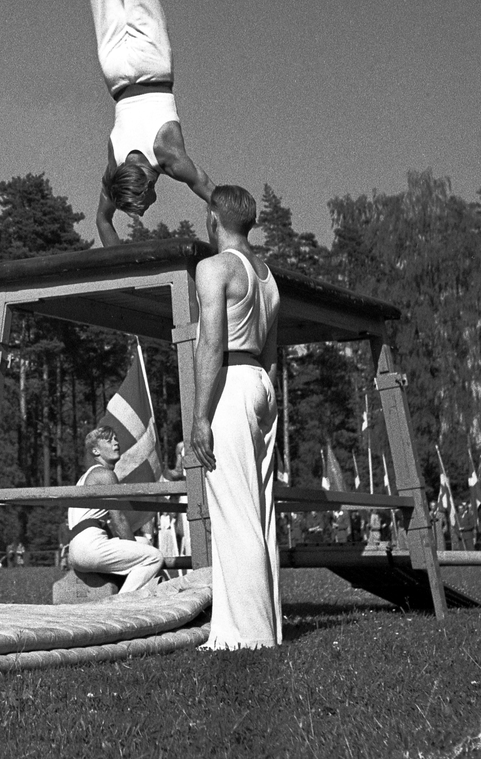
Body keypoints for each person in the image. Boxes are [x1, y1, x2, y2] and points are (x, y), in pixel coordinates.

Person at [67, 0, 214, 246]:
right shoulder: (113, 168)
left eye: (141, 206)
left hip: (152, 64)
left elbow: (215, 197)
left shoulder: (169, 157)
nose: (144, 211)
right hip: (116, 73)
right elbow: (103, 222)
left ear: (147, 184)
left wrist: (226, 250)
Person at [188, 185, 282, 650]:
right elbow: (272, 352)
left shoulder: (214, 267)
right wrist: (265, 398)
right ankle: (239, 630)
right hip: (260, 382)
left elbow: (210, 342)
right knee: (260, 514)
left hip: (230, 382)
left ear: (213, 218)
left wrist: (199, 416)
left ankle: (253, 636)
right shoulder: (267, 277)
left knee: (234, 512)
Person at [66, 426, 163, 594]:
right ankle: (120, 603)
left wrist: (136, 548)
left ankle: (142, 595)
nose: (116, 442)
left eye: (116, 439)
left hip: (78, 547)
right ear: (95, 451)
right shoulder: (104, 475)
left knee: (145, 543)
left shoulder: (87, 476)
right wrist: (134, 551)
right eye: (108, 440)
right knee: (154, 557)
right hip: (89, 547)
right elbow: (119, 519)